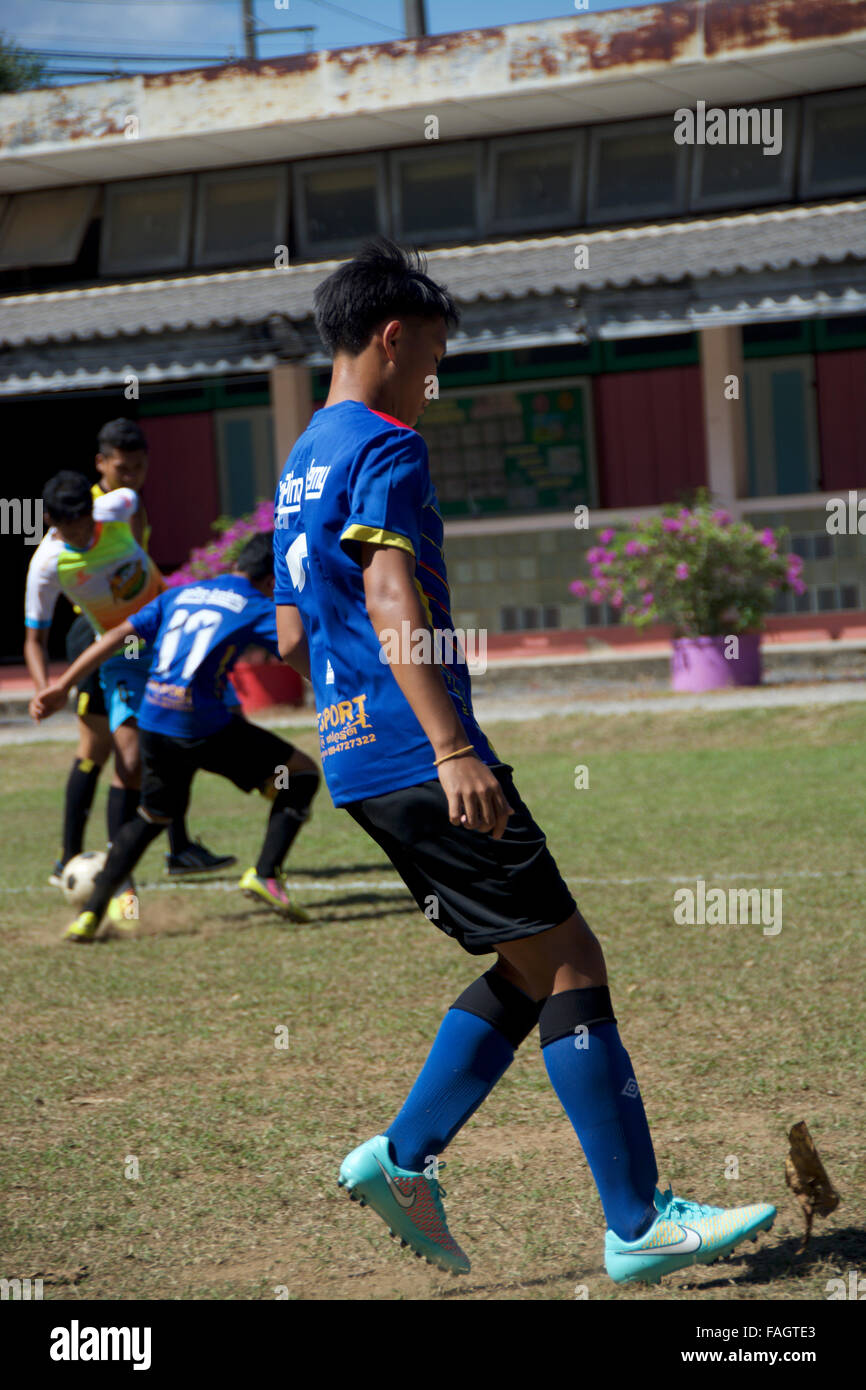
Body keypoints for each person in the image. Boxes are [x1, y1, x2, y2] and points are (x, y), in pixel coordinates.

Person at [270, 237, 776, 1285]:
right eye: (430, 356)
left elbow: (287, 634)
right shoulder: (384, 443)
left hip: (357, 758)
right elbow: (385, 595)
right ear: (392, 335)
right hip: (420, 750)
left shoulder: (299, 458)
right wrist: (453, 743)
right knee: (571, 961)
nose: (431, 378)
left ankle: (401, 1158)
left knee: (521, 963)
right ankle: (634, 1222)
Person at [31, 533, 319, 943]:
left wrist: (64, 685)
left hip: (154, 723)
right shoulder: (256, 605)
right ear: (274, 580)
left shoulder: (182, 594)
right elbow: (292, 647)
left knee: (153, 815)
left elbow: (116, 638)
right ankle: (266, 874)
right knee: (301, 776)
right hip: (202, 729)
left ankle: (90, 915)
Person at [47, 419, 235, 884]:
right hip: (97, 641)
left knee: (168, 730)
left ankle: (179, 846)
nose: (130, 476)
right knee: (97, 749)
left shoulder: (132, 506)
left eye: (138, 467)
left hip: (146, 635)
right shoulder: (83, 511)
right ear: (101, 464)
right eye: (121, 467)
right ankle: (68, 858)